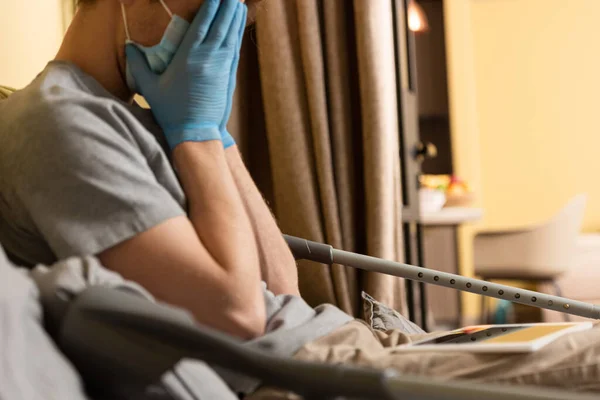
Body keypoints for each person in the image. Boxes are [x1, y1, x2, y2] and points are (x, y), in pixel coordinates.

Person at [0, 0, 599, 397]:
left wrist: (214, 133)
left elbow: (279, 284)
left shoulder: (137, 115)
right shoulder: (58, 122)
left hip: (336, 340)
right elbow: (237, 315)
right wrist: (198, 136)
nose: (228, 19)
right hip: (304, 371)